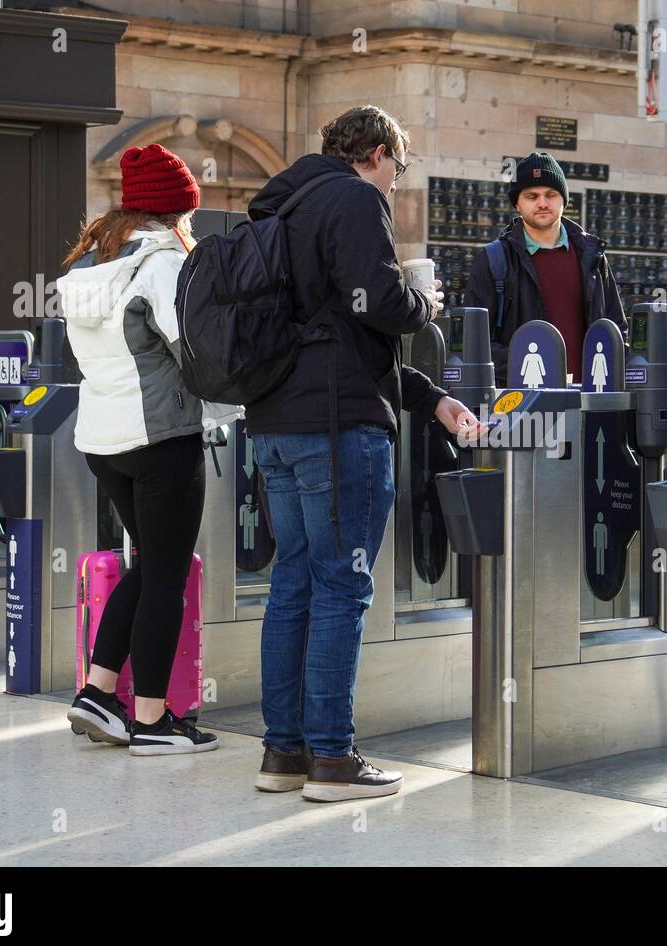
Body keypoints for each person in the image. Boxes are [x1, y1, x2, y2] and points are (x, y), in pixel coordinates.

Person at [244, 105, 481, 801]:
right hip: (337, 430)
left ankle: (282, 755)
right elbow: (376, 304)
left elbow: (333, 335)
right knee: (342, 588)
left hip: (278, 424)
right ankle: (334, 760)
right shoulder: (352, 197)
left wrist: (431, 396)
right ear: (376, 153)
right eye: (397, 171)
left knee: (293, 585)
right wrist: (423, 303)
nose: (396, 186)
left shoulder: (279, 208)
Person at [59, 143, 241, 755]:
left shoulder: (90, 263)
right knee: (166, 576)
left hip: (103, 441)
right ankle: (153, 721)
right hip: (161, 439)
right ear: (173, 212)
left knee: (148, 565)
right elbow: (193, 347)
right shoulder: (162, 265)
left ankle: (97, 692)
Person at [463, 151, 627, 384]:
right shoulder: (494, 259)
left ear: (563, 200)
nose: (542, 203)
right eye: (531, 196)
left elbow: (616, 330)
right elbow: (475, 342)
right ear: (517, 204)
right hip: (522, 402)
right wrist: (537, 371)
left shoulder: (592, 257)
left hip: (590, 402)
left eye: (551, 194)